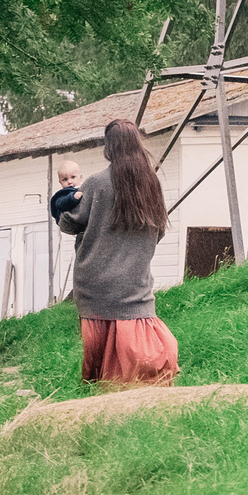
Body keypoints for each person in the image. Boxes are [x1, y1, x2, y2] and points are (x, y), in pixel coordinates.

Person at [55, 122, 180, 386]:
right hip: (136, 283)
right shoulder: (152, 184)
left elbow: (70, 224)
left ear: (108, 148)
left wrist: (59, 205)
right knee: (148, 361)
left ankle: (102, 399)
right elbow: (159, 231)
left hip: (95, 284)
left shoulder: (97, 183)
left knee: (101, 372)